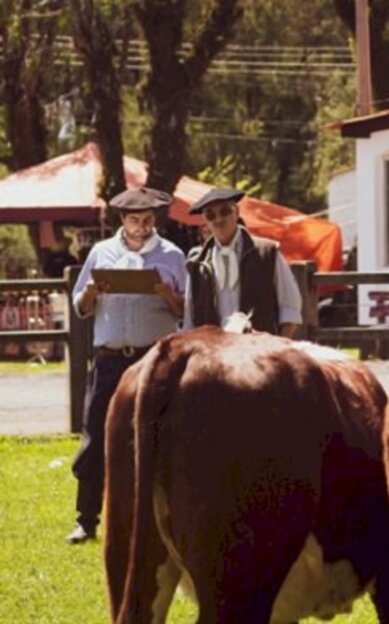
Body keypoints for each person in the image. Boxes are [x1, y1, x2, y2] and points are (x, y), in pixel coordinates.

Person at [66, 187, 187, 544]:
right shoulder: (102, 253)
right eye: (135, 220)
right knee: (96, 435)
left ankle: (159, 519)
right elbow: (80, 306)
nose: (142, 226)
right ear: (122, 220)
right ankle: (86, 519)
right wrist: (91, 292)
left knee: (159, 435)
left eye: (148, 220)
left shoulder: (173, 255)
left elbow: (187, 311)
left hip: (153, 358)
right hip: (110, 358)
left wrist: (168, 296)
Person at [184, 187, 302, 337]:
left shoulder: (266, 252)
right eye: (210, 215)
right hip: (214, 353)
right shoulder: (197, 264)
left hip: (258, 351)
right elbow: (190, 320)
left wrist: (278, 349)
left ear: (237, 212)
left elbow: (290, 309)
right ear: (205, 222)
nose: (219, 219)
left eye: (225, 211)